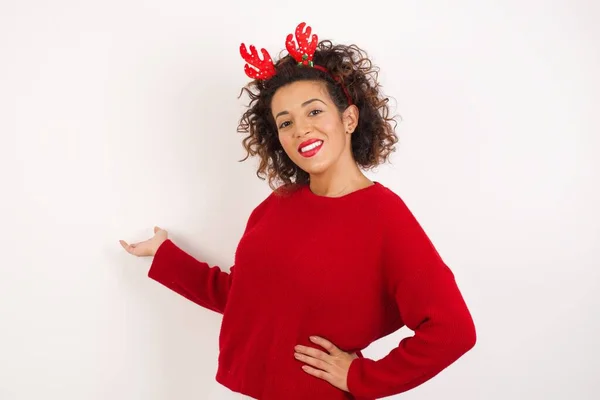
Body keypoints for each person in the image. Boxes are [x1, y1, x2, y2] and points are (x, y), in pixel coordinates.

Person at [120, 22, 476, 400]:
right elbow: (246, 298)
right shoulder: (276, 206)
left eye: (314, 112)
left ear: (349, 119)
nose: (301, 130)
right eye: (286, 122)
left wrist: (361, 377)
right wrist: (164, 255)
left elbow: (452, 330)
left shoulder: (384, 216)